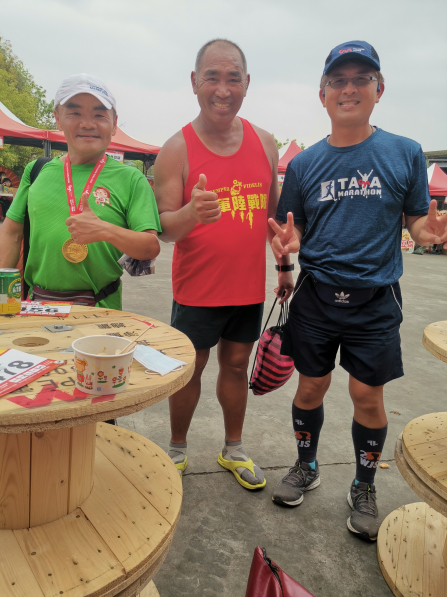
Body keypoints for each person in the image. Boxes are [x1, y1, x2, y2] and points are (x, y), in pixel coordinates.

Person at [269, 40, 447, 540]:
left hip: (375, 299)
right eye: (338, 81)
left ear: (379, 88)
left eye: (360, 79)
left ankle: (363, 485)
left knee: (367, 396)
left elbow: (417, 222)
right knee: (310, 386)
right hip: (316, 295)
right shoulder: (304, 164)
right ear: (322, 94)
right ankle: (306, 465)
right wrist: (287, 251)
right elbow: (292, 229)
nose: (349, 89)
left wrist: (429, 232)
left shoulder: (405, 152)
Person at [154, 39, 294, 490]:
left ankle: (233, 448)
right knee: (189, 369)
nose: (222, 89)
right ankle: (176, 450)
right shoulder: (176, 149)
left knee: (236, 365)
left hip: (247, 288)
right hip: (197, 289)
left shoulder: (265, 143)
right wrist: (191, 213)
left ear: (247, 83)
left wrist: (285, 265)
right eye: (212, 77)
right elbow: (163, 229)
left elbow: (275, 220)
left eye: (233, 78)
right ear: (194, 82)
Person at [0, 73, 161, 309]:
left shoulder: (132, 179)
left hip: (100, 310)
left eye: (99, 115)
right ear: (58, 118)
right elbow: (11, 234)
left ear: (114, 123)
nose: (87, 124)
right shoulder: (36, 171)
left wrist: (104, 230)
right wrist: (4, 298)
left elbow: (150, 247)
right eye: (75, 113)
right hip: (37, 308)